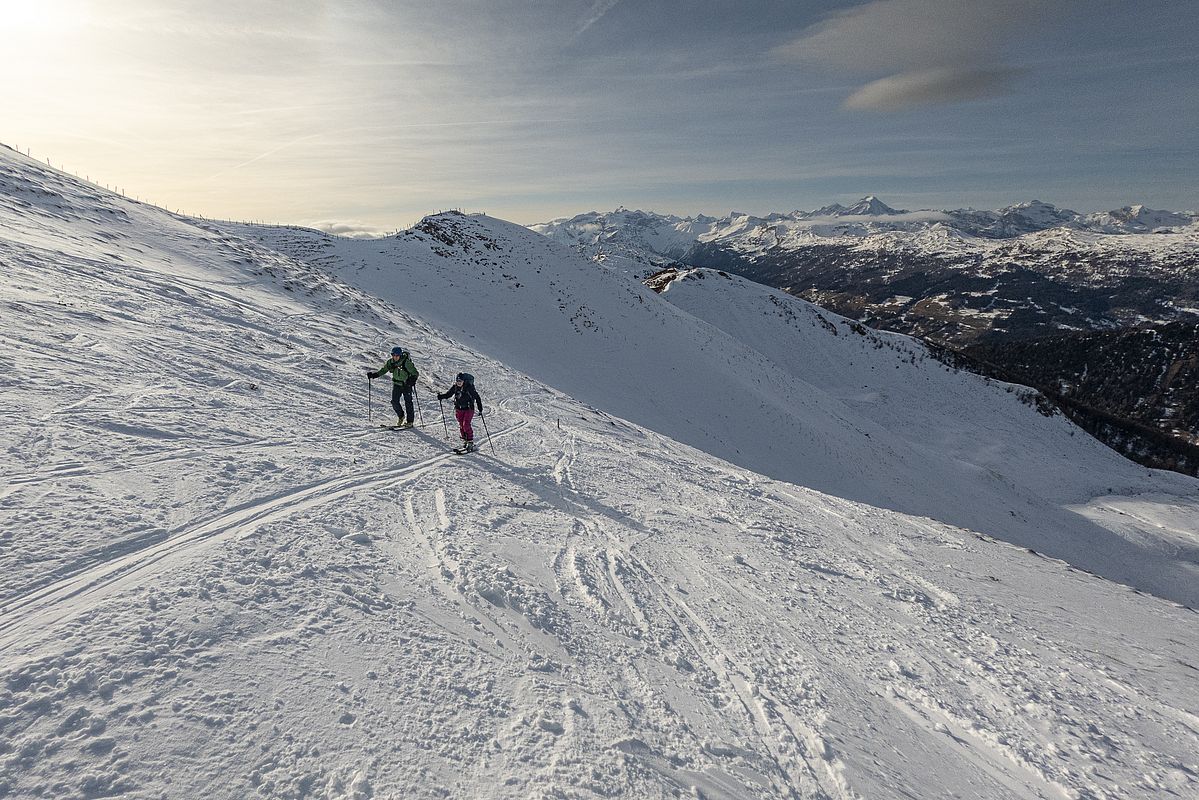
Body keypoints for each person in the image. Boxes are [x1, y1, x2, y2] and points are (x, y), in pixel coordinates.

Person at [368, 347, 419, 427]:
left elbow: (415, 373)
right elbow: (384, 370)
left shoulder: (406, 362)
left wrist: (412, 380)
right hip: (397, 385)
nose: (395, 357)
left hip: (406, 385)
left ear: (400, 355)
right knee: (394, 402)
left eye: (397, 355)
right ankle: (401, 416)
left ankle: (410, 422)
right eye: (393, 355)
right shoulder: (390, 362)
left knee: (408, 403)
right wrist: (374, 375)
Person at [438, 373, 484, 451]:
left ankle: (470, 442)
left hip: (469, 409)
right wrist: (441, 396)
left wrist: (480, 408)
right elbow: (449, 394)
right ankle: (465, 440)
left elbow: (477, 397)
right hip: (459, 409)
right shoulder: (455, 387)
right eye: (457, 381)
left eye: (460, 381)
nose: (459, 382)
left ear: (464, 381)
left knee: (466, 424)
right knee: (461, 425)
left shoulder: (469, 388)